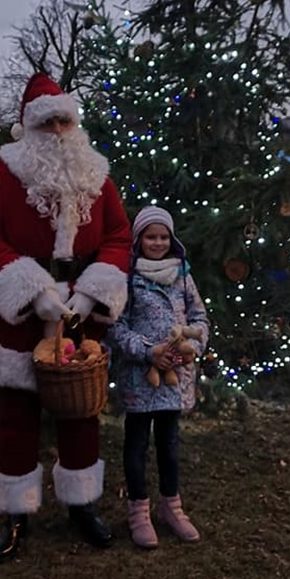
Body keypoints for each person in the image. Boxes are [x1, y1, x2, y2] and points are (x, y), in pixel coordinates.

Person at [0, 72, 131, 563]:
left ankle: (81, 504)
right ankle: (15, 514)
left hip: (81, 308)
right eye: (49, 122)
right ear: (30, 127)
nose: (59, 130)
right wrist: (32, 290)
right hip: (25, 309)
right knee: (17, 413)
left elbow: (119, 236)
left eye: (66, 120)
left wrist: (91, 294)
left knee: (80, 411)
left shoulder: (97, 174)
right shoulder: (5, 173)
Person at [108, 206, 209, 549]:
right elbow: (116, 327)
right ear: (139, 240)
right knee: (136, 444)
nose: (157, 242)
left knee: (169, 444)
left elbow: (199, 316)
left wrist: (191, 346)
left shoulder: (183, 274)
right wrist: (147, 351)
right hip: (141, 376)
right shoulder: (128, 278)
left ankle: (172, 506)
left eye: (163, 236)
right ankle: (138, 510)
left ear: (172, 239)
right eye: (150, 236)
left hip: (175, 376)